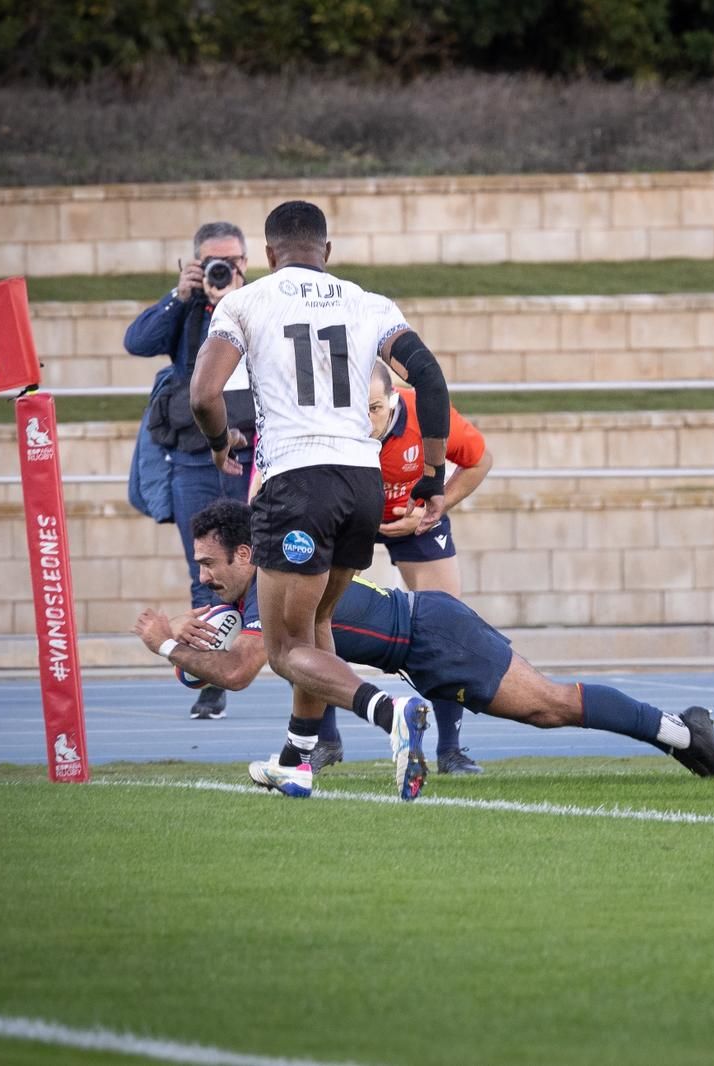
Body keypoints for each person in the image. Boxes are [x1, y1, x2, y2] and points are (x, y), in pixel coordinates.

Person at [131, 500, 714, 781]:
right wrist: (189, 641)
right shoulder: (253, 592)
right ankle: (298, 763)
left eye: (209, 564)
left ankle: (681, 729)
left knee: (549, 707)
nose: (203, 577)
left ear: (245, 554)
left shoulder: (272, 584)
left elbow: (236, 672)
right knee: (547, 709)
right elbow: (256, 666)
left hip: (433, 633)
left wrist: (164, 644)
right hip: (416, 650)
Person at [190, 199, 450, 801]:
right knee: (318, 623)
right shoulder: (369, 303)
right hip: (360, 481)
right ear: (327, 252)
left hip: (296, 480)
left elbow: (204, 394)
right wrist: (432, 475)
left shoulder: (245, 301)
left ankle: (390, 713)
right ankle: (297, 758)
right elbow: (429, 378)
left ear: (271, 253)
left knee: (284, 649)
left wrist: (217, 441)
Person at [124, 221, 254, 720]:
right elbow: (137, 341)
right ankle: (209, 679)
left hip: (249, 460)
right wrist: (181, 296)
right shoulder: (184, 307)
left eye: (235, 261)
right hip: (194, 462)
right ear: (193, 263)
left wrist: (235, 298)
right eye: (215, 262)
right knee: (206, 572)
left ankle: (289, 667)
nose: (227, 270)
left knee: (275, 566)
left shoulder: (259, 301)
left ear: (248, 261)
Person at [371, 359, 494, 775]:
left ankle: (451, 750)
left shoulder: (426, 415)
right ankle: (319, 742)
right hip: (350, 520)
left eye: (375, 409)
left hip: (415, 520)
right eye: (359, 410)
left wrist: (427, 513)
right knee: (314, 619)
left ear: (392, 399)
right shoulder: (333, 424)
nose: (366, 420)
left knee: (447, 626)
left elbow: (480, 461)